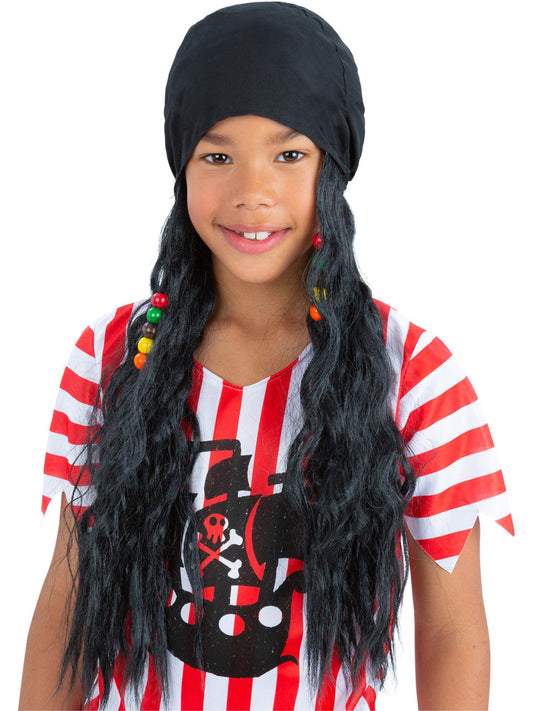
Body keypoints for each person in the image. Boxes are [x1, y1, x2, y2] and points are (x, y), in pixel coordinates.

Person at [19, 3, 513, 710]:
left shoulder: (413, 372)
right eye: (217, 156)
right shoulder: (110, 356)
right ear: (181, 168)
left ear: (331, 170)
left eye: (288, 155)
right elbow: (68, 600)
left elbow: (451, 628)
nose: (252, 193)